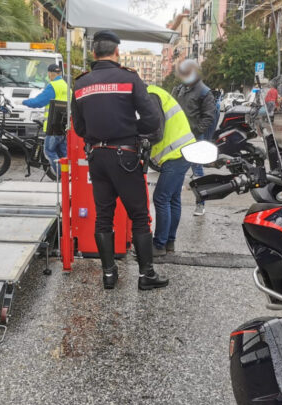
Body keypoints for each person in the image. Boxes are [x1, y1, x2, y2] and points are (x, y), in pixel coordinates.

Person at [71, 30, 169, 291]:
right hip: (124, 155)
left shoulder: (80, 84)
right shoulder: (129, 78)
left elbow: (79, 128)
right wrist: (129, 128)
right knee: (138, 215)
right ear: (117, 53)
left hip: (96, 158)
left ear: (94, 54)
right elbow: (151, 120)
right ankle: (146, 275)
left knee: (103, 216)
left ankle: (109, 275)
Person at [146, 85, 196, 256]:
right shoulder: (156, 92)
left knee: (161, 198)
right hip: (183, 151)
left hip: (176, 154)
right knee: (173, 198)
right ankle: (169, 242)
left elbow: (155, 132)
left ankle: (159, 245)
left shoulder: (151, 96)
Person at [172, 59, 216, 216]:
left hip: (195, 138)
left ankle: (200, 204)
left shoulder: (204, 92)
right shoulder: (179, 89)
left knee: (197, 173)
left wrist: (197, 131)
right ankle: (174, 202)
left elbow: (209, 116)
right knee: (176, 171)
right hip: (178, 137)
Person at [22, 63, 69, 175]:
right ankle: (69, 176)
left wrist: (24, 102)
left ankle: (62, 176)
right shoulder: (66, 86)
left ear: (50, 74)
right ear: (60, 73)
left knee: (49, 151)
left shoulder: (53, 86)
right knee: (63, 154)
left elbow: (38, 102)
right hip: (63, 127)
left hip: (53, 126)